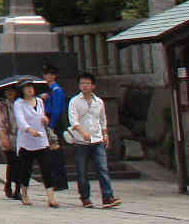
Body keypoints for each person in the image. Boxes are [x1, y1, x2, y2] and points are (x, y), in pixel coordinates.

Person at [68, 71, 120, 209]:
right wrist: (82, 132)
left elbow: (102, 120)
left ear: (93, 86)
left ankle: (108, 197)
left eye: (87, 83)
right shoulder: (74, 101)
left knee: (103, 168)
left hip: (97, 139)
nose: (84, 86)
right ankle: (85, 197)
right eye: (82, 83)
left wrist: (105, 135)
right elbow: (73, 120)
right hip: (81, 141)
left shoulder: (99, 102)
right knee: (82, 171)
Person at [12, 80, 60, 207]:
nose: (30, 90)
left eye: (31, 87)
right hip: (26, 141)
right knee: (26, 169)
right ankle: (25, 193)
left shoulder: (39, 101)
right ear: (22, 90)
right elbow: (20, 120)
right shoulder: (19, 103)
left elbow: (41, 116)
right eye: (27, 88)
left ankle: (51, 197)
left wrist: (45, 119)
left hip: (41, 140)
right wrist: (29, 129)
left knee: (47, 168)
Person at [39, 65, 72, 197]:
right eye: (45, 73)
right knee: (50, 153)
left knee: (56, 152)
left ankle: (60, 181)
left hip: (54, 120)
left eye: (48, 74)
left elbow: (58, 109)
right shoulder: (46, 90)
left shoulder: (56, 90)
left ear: (54, 76)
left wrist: (51, 125)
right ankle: (54, 179)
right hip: (47, 118)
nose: (46, 76)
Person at [0, 82, 24, 200]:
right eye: (8, 91)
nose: (10, 93)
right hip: (7, 136)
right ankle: (8, 184)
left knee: (20, 163)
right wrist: (3, 138)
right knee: (12, 162)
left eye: (12, 91)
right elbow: (1, 123)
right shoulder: (2, 105)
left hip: (21, 137)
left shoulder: (21, 103)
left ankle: (17, 188)